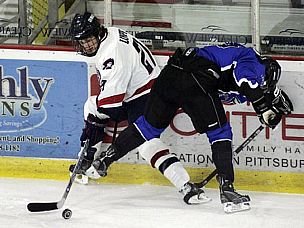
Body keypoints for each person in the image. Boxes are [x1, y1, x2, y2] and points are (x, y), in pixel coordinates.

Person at [86, 43, 293, 213]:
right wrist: (264, 107)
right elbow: (247, 80)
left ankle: (105, 159)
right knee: (220, 133)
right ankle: (228, 191)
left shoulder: (238, 63)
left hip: (171, 73)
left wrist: (269, 105)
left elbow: (243, 89)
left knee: (147, 127)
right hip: (195, 77)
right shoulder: (251, 58)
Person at [69, 12, 210, 205]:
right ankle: (87, 158)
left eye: (88, 40)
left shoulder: (111, 53)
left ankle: (185, 185)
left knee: (145, 144)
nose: (86, 46)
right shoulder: (111, 34)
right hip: (144, 90)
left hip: (149, 97)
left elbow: (111, 103)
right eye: (82, 42)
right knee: (92, 105)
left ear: (98, 32)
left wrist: (94, 127)